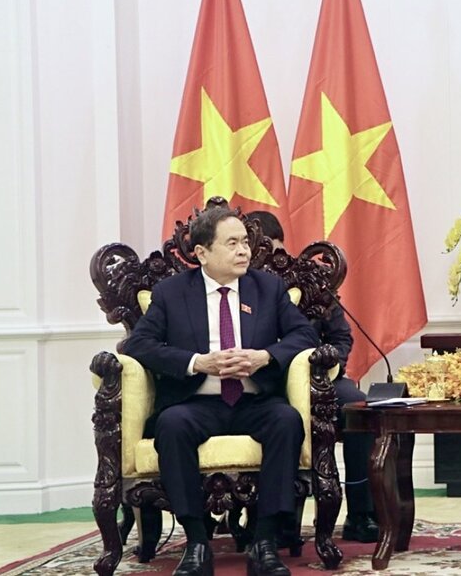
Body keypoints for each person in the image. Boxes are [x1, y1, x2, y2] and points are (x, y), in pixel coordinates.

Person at [125, 207, 319, 576]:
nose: (244, 251)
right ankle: (197, 543)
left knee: (286, 421)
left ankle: (264, 542)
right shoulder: (170, 292)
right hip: (197, 400)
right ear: (202, 253)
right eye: (232, 243)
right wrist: (197, 362)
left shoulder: (268, 287)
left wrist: (265, 357)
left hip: (254, 399)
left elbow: (304, 335)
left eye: (245, 242)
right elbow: (138, 345)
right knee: (172, 425)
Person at [245, 211, 379, 543]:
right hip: (262, 383)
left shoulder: (309, 279)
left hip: (320, 380)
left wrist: (325, 367)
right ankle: (278, 519)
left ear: (281, 245)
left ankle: (362, 513)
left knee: (359, 407)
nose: (265, 260)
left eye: (270, 249)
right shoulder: (239, 284)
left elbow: (341, 338)